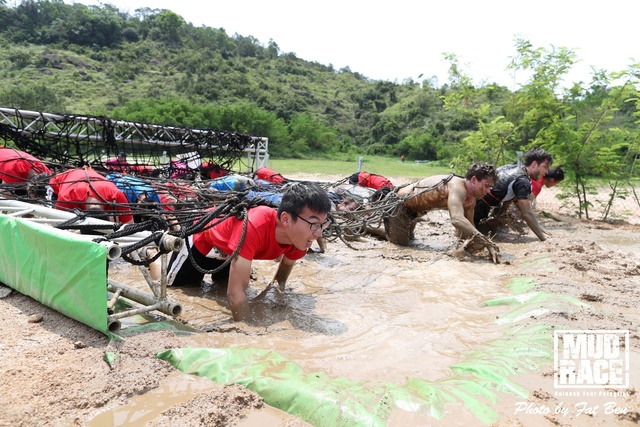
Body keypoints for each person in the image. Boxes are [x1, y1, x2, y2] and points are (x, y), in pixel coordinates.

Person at [166, 182, 332, 322]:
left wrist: (276, 302)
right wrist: (248, 332)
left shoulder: (301, 241)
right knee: (177, 288)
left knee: (219, 289)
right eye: (313, 224)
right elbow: (235, 295)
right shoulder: (255, 225)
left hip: (230, 254)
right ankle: (153, 256)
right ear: (286, 219)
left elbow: (279, 281)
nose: (319, 233)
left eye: (323, 224)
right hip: (201, 243)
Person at [388, 162, 499, 262]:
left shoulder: (471, 199)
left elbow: (469, 227)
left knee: (409, 240)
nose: (489, 191)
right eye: (487, 186)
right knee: (401, 243)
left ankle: (390, 228)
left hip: (415, 212)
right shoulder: (457, 187)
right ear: (474, 180)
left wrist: (473, 247)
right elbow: (456, 219)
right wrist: (486, 242)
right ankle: (374, 229)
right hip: (399, 205)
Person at [474, 147, 553, 241]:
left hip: (474, 201)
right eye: (545, 167)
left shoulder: (510, 167)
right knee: (474, 239)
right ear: (534, 164)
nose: (547, 172)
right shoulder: (523, 181)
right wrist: (543, 239)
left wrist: (538, 226)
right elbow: (527, 213)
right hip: (478, 208)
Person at [49, 168, 134, 224]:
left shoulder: (116, 196)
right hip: (60, 181)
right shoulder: (66, 197)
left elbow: (130, 226)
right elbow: (55, 225)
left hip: (89, 175)